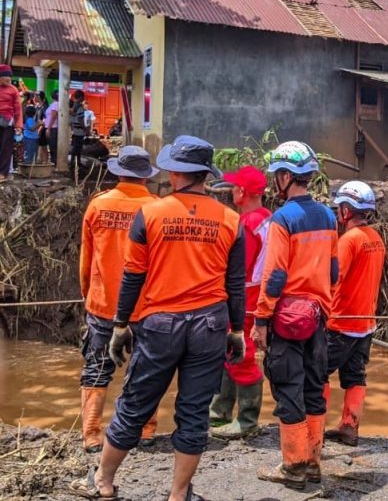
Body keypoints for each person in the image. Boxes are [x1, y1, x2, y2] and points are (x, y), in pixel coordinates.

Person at [70, 136, 246, 501]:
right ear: (204, 174)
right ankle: (178, 494)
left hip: (160, 323)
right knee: (194, 412)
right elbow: (234, 283)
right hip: (210, 325)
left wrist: (120, 324)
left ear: (175, 172)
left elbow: (134, 275)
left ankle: (102, 482)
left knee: (135, 403)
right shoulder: (231, 219)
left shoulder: (149, 214)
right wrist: (238, 329)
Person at [254, 141, 339, 491]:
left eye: (278, 175)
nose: (276, 181)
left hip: (287, 320)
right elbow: (333, 271)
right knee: (314, 389)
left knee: (288, 391)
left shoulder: (283, 219)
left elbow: (275, 276)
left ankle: (293, 467)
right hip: (318, 317)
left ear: (286, 177)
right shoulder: (329, 216)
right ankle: (314, 463)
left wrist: (261, 319)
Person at [78, 146, 160, 454]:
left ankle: (90, 434)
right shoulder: (156, 208)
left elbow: (86, 257)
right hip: (146, 306)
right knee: (146, 369)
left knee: (96, 367)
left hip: (102, 304)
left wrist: (87, 292)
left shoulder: (98, 206)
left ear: (118, 173)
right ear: (146, 177)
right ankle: (146, 430)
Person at [209, 165, 271, 439]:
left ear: (243, 192)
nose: (231, 190)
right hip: (258, 295)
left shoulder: (245, 224)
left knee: (240, 354)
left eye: (235, 187)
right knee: (230, 352)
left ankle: (246, 421)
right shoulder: (269, 218)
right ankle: (219, 413)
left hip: (245, 297)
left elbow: (238, 268)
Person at [323, 180, 385, 447]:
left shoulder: (349, 240)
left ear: (347, 210)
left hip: (341, 322)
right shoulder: (376, 238)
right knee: (355, 376)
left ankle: (313, 434)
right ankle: (349, 427)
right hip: (365, 324)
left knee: (317, 373)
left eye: (340, 208)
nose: (338, 213)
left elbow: (334, 279)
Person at [0, 64, 22, 181]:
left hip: (7, 122)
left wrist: (19, 126)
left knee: (6, 148)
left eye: (9, 77)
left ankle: (3, 174)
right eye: (6, 77)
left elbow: (18, 110)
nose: (9, 79)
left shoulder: (13, 90)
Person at [70, 90, 86, 174]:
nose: (84, 98)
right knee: (78, 147)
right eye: (83, 97)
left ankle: (74, 162)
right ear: (80, 97)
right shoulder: (79, 107)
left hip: (74, 129)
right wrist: (85, 128)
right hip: (79, 130)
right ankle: (76, 162)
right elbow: (80, 119)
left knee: (75, 147)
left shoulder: (72, 105)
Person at [34, 91, 50, 165]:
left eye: (36, 96)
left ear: (39, 97)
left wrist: (39, 129)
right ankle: (39, 159)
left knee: (43, 146)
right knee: (38, 145)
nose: (34, 97)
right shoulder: (37, 106)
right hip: (37, 128)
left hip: (42, 129)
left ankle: (45, 161)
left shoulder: (45, 107)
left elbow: (44, 119)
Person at [45, 91, 59, 166]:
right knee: (51, 146)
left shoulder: (55, 104)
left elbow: (53, 116)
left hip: (53, 128)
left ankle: (54, 163)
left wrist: (49, 128)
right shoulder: (53, 104)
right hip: (51, 127)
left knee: (53, 146)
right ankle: (54, 162)